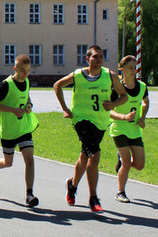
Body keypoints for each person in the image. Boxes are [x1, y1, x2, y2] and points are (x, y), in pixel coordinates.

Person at [54, 44, 127, 213]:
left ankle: (72, 185)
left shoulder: (110, 76)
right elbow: (57, 85)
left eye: (101, 56)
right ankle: (93, 198)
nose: (99, 59)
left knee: (85, 156)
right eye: (95, 56)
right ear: (87, 58)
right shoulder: (79, 75)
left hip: (100, 121)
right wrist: (65, 108)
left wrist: (113, 104)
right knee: (95, 155)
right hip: (81, 119)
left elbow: (124, 96)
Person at [0, 54, 40, 207]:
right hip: (8, 130)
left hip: (24, 128)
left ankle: (29, 194)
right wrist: (13, 110)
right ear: (15, 68)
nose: (26, 74)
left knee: (29, 159)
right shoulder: (6, 84)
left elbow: (27, 97)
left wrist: (29, 105)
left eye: (28, 71)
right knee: (8, 162)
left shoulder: (27, 81)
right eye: (22, 71)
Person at [109, 55, 149, 203]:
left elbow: (145, 102)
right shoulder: (117, 88)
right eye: (131, 68)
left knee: (139, 165)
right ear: (122, 69)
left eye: (135, 67)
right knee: (127, 163)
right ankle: (120, 192)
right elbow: (109, 110)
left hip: (134, 130)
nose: (134, 70)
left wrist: (142, 117)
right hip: (119, 128)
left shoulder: (142, 86)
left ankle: (121, 162)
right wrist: (124, 117)